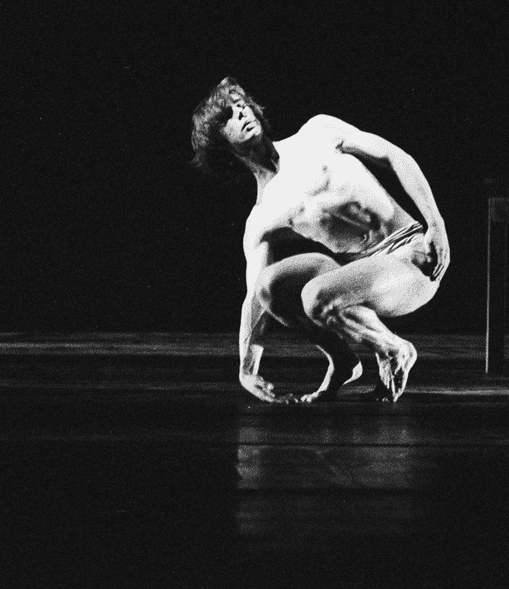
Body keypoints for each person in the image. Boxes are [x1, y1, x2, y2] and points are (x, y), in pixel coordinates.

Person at [190, 78, 449, 403]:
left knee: (315, 296)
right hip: (362, 277)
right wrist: (247, 368)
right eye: (228, 114)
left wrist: (435, 225)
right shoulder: (262, 217)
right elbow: (254, 300)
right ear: (220, 143)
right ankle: (344, 360)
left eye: (241, 103)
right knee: (269, 286)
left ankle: (395, 350)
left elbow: (395, 156)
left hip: (412, 258)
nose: (242, 112)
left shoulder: (317, 132)